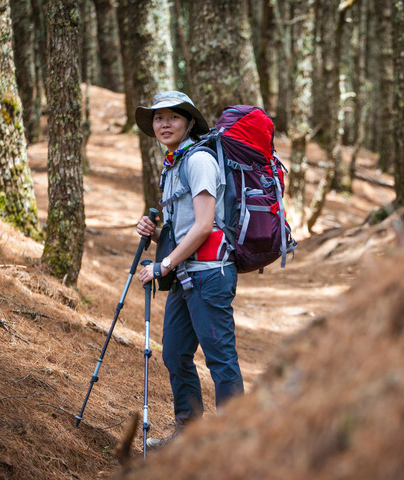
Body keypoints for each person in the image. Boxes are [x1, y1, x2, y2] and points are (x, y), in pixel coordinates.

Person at [134, 91, 244, 450]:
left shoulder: (198, 161)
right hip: (186, 274)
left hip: (210, 274)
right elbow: (182, 225)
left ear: (189, 123)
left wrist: (162, 265)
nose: (164, 124)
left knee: (220, 359)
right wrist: (153, 228)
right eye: (158, 118)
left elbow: (203, 226)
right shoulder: (173, 163)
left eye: (173, 117)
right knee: (175, 353)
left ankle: (235, 444)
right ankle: (190, 436)